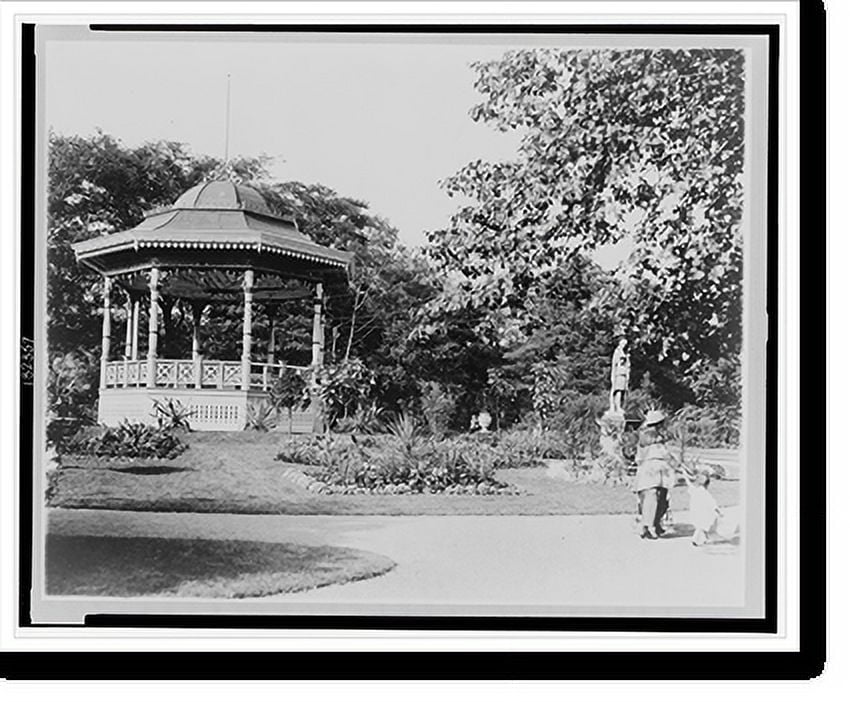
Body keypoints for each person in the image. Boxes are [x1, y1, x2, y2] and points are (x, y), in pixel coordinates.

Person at [633, 409, 674, 539]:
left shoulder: (659, 436)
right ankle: (648, 525)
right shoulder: (648, 435)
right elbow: (647, 444)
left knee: (662, 497)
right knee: (651, 496)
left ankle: (655, 523)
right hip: (650, 469)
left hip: (661, 470)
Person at [682, 469, 722, 546]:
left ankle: (703, 538)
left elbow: (689, 484)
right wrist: (719, 512)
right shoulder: (705, 493)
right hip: (703, 514)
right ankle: (696, 540)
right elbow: (712, 504)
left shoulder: (695, 490)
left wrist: (685, 476)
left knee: (700, 528)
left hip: (696, 512)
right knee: (701, 527)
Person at [609, 337, 630, 414]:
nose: (624, 345)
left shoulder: (625, 352)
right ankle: (616, 407)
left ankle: (619, 406)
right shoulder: (617, 352)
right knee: (618, 390)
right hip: (618, 373)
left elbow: (627, 365)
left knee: (622, 391)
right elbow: (614, 364)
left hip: (623, 373)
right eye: (623, 343)